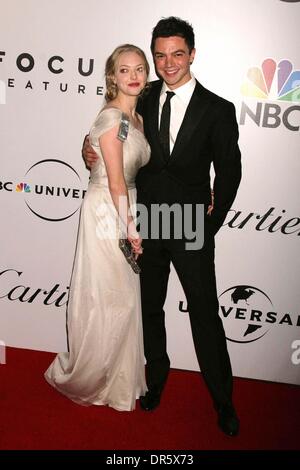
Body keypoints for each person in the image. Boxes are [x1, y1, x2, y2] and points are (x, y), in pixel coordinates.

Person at [83, 17, 242, 435]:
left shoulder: (218, 109)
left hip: (191, 224)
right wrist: (87, 148)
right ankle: (155, 381)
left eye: (176, 54)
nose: (167, 63)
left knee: (205, 314)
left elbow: (230, 172)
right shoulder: (143, 94)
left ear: (191, 53)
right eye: (159, 55)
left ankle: (223, 400)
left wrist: (212, 223)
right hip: (147, 221)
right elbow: (109, 128)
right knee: (150, 310)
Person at [45, 44, 151, 411]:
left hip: (124, 206)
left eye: (139, 69)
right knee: (108, 296)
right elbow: (116, 180)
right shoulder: (113, 118)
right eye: (124, 70)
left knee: (121, 297)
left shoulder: (135, 118)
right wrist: (130, 228)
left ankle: (115, 381)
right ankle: (92, 376)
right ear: (112, 76)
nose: (133, 76)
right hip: (109, 209)